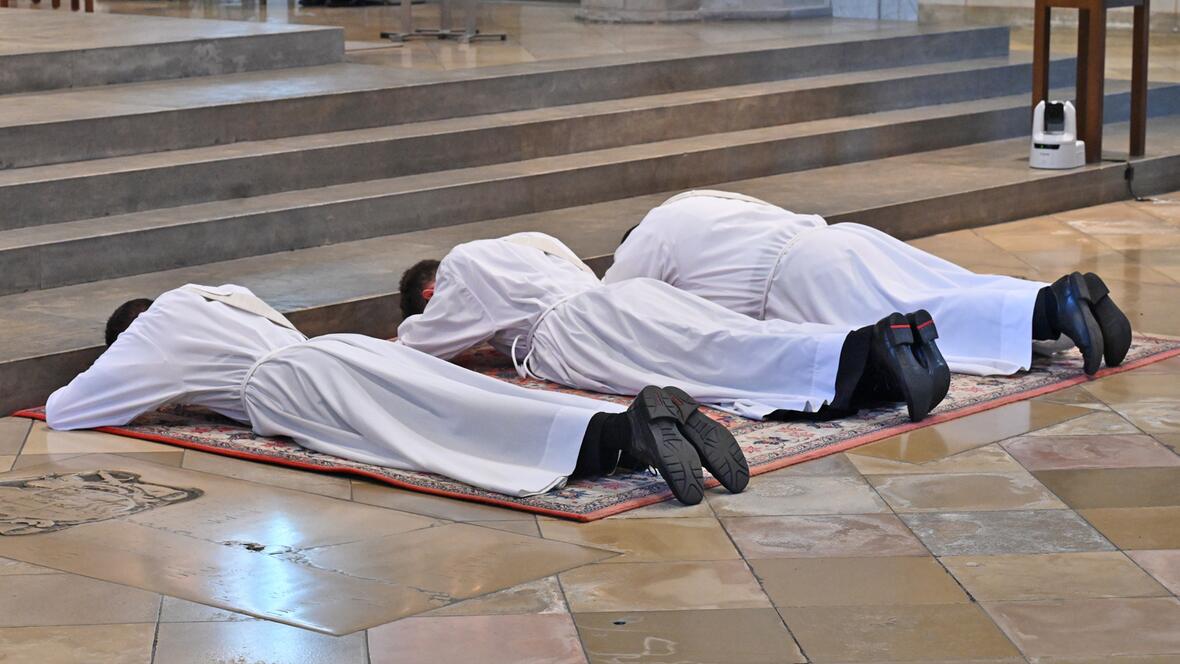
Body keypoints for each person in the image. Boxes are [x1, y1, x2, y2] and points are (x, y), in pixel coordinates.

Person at [45, 284, 740, 505]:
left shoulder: (150, 331)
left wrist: (155, 392)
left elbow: (67, 410)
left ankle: (630, 438)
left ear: (128, 332)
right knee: (474, 398)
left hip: (296, 388)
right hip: (336, 348)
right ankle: (636, 418)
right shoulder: (217, 294)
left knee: (453, 434)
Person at [396, 232, 952, 451]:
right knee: (730, 336)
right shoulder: (522, 246)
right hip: (623, 297)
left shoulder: (462, 264)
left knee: (719, 357)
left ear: (430, 289)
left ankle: (867, 355)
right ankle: (873, 349)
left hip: (582, 330)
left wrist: (469, 341)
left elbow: (420, 345)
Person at [604, 190, 1133, 377]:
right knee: (949, 284)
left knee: (929, 322)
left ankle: (1052, 309)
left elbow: (608, 304)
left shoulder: (649, 236)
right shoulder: (702, 205)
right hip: (838, 239)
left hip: (798, 280)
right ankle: (1069, 293)